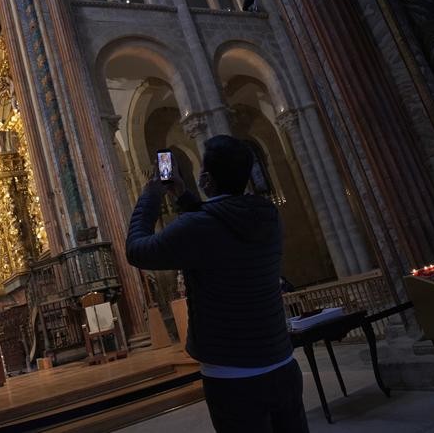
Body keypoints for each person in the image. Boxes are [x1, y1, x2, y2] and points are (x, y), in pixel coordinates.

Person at [126, 135, 309, 433]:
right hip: (281, 362)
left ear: (207, 180)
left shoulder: (198, 227)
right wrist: (185, 197)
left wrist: (151, 195)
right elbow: (220, 222)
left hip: (233, 375)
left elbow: (137, 249)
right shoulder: (268, 215)